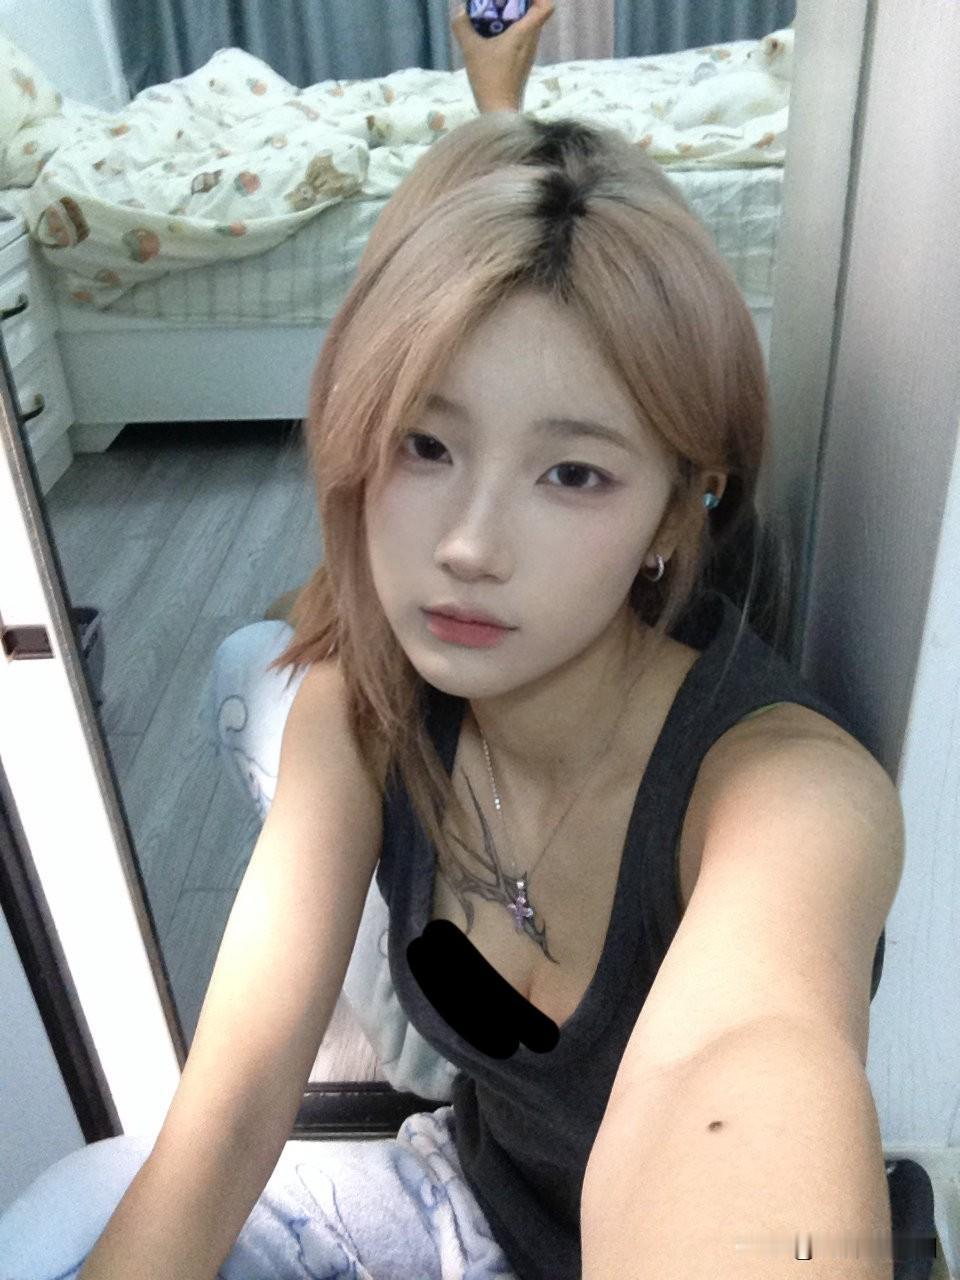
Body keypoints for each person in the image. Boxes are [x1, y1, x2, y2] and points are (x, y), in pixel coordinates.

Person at [1, 2, 908, 1278]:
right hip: (461, 1205)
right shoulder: (366, 705)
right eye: (424, 446)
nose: (470, 545)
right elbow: (234, 1104)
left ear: (679, 506)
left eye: (574, 474)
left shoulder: (788, 796)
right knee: (74, 1209)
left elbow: (746, 1071)